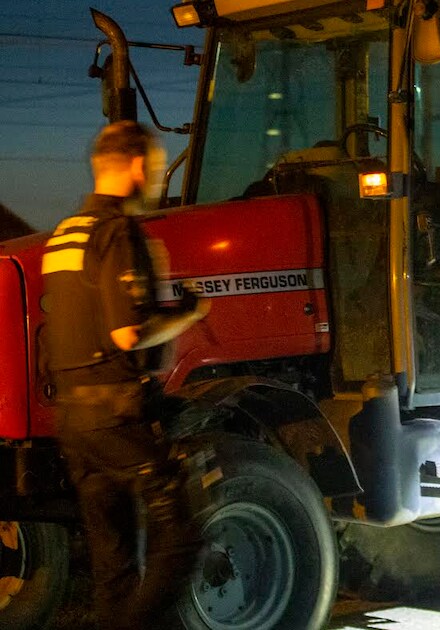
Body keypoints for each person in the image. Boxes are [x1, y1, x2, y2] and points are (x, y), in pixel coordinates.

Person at [41, 121, 208, 629]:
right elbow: (127, 335)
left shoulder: (64, 233)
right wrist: (189, 314)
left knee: (114, 562)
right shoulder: (118, 232)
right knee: (181, 535)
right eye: (156, 167)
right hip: (115, 415)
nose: (157, 179)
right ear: (137, 165)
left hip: (73, 419)